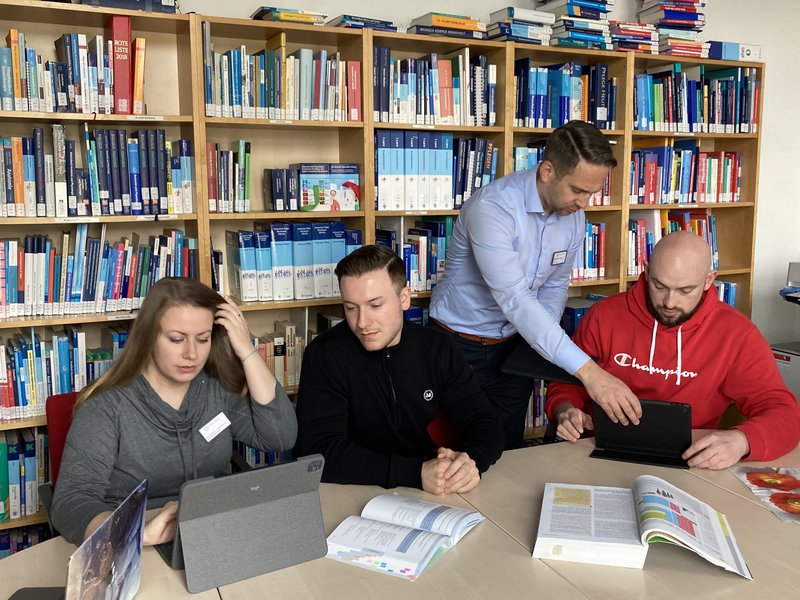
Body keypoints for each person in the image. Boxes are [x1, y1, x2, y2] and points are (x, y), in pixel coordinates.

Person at [430, 119, 640, 450]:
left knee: (506, 449)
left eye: (592, 192)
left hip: (515, 348)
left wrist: (536, 344)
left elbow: (555, 285)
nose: (584, 203)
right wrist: (590, 373)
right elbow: (514, 298)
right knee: (454, 452)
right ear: (546, 171)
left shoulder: (574, 216)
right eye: (578, 190)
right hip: (459, 345)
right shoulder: (493, 208)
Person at [51, 277, 298, 546]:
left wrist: (246, 350)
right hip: (133, 544)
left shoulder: (215, 390)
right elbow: (70, 502)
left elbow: (279, 438)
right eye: (177, 339)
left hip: (209, 532)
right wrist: (136, 533)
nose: (191, 354)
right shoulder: (106, 408)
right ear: (148, 338)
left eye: (202, 339)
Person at [546, 231, 800, 469]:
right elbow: (567, 383)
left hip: (691, 460)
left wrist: (742, 441)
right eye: (659, 285)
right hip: (596, 453)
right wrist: (565, 410)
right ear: (646, 272)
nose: (669, 302)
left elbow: (784, 413)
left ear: (709, 280)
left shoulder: (737, 334)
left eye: (685, 290)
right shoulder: (604, 316)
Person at [295, 245, 505, 495]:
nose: (362, 323)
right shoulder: (324, 355)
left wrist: (471, 463)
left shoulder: (436, 347)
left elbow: (485, 422)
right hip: (350, 489)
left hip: (427, 491)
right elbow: (317, 453)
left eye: (375, 305)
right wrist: (415, 472)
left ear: (404, 298)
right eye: (351, 308)